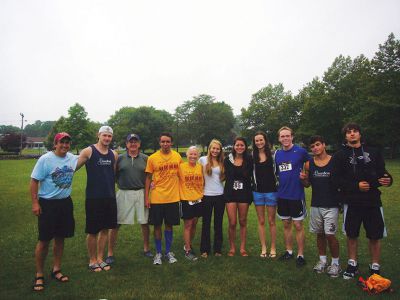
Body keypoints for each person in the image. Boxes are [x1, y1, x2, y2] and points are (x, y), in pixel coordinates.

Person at [331, 123, 392, 279]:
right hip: (351, 201)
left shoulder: (373, 152)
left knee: (375, 235)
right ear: (345, 136)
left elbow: (382, 173)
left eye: (355, 131)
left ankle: (375, 267)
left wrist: (388, 179)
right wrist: (355, 185)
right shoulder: (339, 155)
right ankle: (352, 264)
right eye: (349, 132)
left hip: (372, 200)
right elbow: (336, 180)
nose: (352, 134)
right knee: (352, 234)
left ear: (359, 134)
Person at [30, 132, 78, 291]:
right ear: (55, 144)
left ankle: (56, 269)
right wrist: (35, 202)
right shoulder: (45, 159)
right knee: (44, 240)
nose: (65, 145)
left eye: (67, 143)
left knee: (60, 238)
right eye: (61, 142)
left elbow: (87, 156)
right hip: (47, 204)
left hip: (65, 203)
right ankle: (39, 274)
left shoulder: (72, 158)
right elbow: (34, 181)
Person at [77, 125, 118, 272]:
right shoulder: (89, 151)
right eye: (104, 135)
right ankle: (92, 260)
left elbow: (113, 174)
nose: (107, 138)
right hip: (94, 198)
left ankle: (100, 258)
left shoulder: (114, 154)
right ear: (98, 135)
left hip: (109, 197)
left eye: (109, 136)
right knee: (93, 231)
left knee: (105, 229)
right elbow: (73, 168)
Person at [106, 133, 152, 265]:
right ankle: (110, 252)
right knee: (115, 223)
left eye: (135, 141)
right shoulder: (119, 158)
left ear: (139, 144)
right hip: (124, 192)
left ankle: (146, 248)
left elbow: (150, 177)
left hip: (141, 192)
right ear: (126, 144)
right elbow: (113, 175)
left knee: (144, 222)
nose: (133, 144)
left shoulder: (146, 158)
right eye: (130, 142)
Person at [300, 135, 341, 277]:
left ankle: (335, 263)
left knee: (330, 235)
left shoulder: (334, 161)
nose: (315, 148)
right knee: (320, 234)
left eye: (317, 144)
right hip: (316, 204)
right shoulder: (309, 164)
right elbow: (307, 185)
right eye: (312, 146)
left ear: (324, 145)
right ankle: (323, 261)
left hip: (331, 204)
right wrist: (303, 180)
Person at [275, 126, 310, 267]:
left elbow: (309, 165)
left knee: (298, 225)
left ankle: (300, 255)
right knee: (286, 224)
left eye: (287, 136)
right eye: (282, 136)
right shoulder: (277, 154)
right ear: (279, 138)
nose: (285, 138)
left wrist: (305, 176)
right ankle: (289, 251)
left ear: (292, 137)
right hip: (282, 195)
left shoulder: (301, 151)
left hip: (296, 194)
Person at [145, 132, 182, 265]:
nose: (165, 144)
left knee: (169, 225)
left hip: (172, 198)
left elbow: (181, 175)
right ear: (159, 143)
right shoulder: (152, 158)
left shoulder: (177, 156)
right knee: (157, 226)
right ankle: (159, 253)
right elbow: (148, 178)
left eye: (168, 142)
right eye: (163, 142)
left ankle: (168, 252)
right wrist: (146, 198)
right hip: (157, 198)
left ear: (171, 143)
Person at [224, 137, 253, 257]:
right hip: (230, 194)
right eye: (237, 145)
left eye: (242, 145)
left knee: (242, 221)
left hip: (244, 193)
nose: (239, 147)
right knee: (232, 222)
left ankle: (242, 248)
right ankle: (232, 247)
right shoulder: (228, 160)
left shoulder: (249, 160)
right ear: (234, 146)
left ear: (245, 147)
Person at [252, 131, 278, 258]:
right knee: (261, 221)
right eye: (256, 140)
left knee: (271, 221)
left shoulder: (273, 155)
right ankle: (263, 247)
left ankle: (273, 247)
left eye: (261, 140)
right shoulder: (252, 156)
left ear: (265, 141)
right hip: (257, 192)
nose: (259, 142)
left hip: (271, 191)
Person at [199, 139, 226, 258]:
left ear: (220, 150)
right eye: (213, 148)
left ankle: (218, 249)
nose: (215, 150)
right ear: (209, 149)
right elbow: (197, 176)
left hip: (220, 196)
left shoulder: (222, 161)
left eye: (217, 149)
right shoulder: (202, 160)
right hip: (206, 196)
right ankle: (204, 249)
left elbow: (224, 178)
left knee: (218, 223)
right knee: (206, 223)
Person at [179, 146, 204, 261]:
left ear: (198, 156)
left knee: (194, 224)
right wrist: (154, 182)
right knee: (188, 225)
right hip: (186, 200)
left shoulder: (200, 167)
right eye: (191, 154)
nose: (193, 156)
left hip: (199, 199)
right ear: (187, 155)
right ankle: (188, 250)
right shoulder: (181, 167)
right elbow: (169, 177)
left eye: (195, 154)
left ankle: (188, 244)